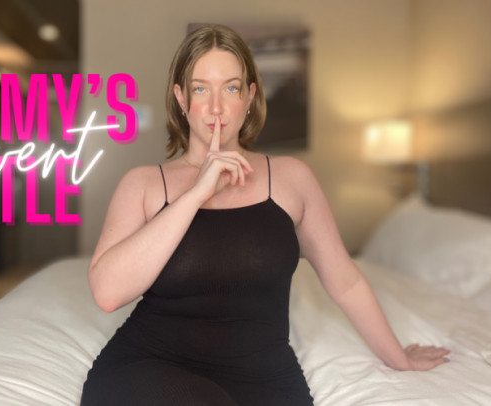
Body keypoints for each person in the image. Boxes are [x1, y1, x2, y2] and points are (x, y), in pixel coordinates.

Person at [80, 24, 449, 406]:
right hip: (150, 368)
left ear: (250, 96)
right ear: (181, 99)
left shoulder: (291, 179)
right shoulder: (143, 184)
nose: (216, 107)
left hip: (264, 377)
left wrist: (400, 358)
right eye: (201, 89)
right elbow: (107, 293)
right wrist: (196, 194)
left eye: (231, 88)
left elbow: (346, 282)